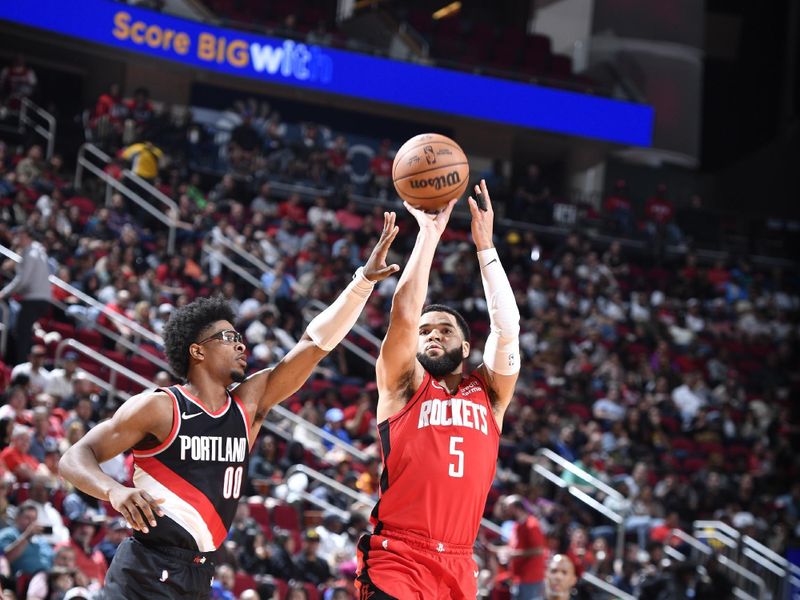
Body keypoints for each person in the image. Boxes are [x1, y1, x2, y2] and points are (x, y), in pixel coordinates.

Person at [59, 214, 400, 599]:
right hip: (145, 569)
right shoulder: (161, 407)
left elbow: (315, 344)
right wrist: (113, 491)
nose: (241, 345)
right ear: (197, 350)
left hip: (200, 574)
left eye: (241, 337)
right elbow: (73, 457)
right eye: (228, 337)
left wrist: (363, 282)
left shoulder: (249, 404)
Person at [355, 180, 521, 599]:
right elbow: (404, 315)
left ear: (466, 346)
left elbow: (507, 328)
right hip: (399, 556)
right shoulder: (402, 386)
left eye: (444, 330)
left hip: (459, 564)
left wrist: (486, 249)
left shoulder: (490, 392)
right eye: (426, 331)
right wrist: (429, 235)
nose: (431, 335)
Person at [0, 226, 51, 364]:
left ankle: (21, 364)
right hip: (42, 298)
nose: (17, 237)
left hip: (33, 299)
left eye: (20, 235)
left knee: (21, 332)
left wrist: (3, 293)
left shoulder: (30, 253)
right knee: (24, 330)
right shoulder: (39, 251)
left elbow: (22, 279)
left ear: (27, 236)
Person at [501, 495, 547, 600]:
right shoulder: (517, 525)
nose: (505, 511)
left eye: (507, 508)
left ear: (516, 508)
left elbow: (539, 550)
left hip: (531, 578)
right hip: (519, 577)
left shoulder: (532, 524)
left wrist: (513, 554)